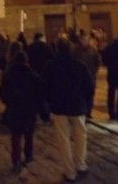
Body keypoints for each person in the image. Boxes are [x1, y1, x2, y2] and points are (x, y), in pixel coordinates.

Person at [43, 38, 94, 182]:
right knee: (81, 136)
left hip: (59, 107)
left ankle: (69, 171)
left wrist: (50, 102)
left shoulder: (50, 66)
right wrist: (86, 102)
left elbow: (45, 87)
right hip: (77, 106)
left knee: (63, 139)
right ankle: (81, 164)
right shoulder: (79, 65)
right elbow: (89, 87)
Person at [0, 51, 42, 174]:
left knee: (16, 137)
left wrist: (9, 102)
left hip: (15, 109)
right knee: (29, 134)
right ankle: (28, 155)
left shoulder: (9, 75)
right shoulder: (33, 75)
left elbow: (2, 92)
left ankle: (16, 161)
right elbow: (40, 92)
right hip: (29, 110)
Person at [72, 32, 101, 118]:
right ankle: (82, 110)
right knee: (80, 94)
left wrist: (94, 71)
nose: (84, 41)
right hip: (79, 76)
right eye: (83, 39)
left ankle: (88, 112)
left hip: (90, 75)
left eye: (86, 39)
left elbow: (98, 61)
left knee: (90, 94)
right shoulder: (75, 50)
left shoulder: (93, 49)